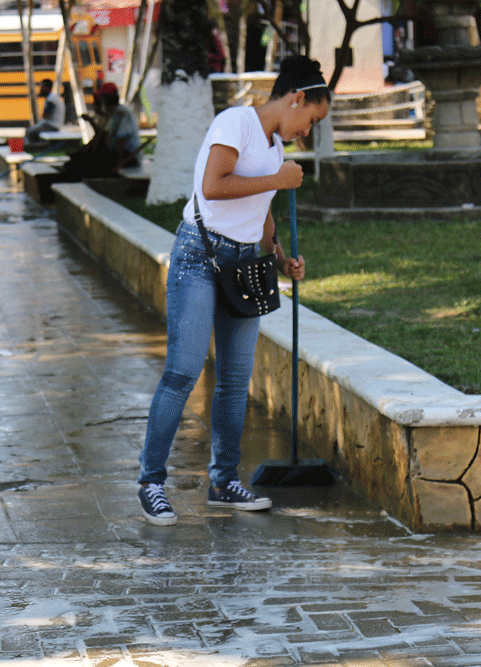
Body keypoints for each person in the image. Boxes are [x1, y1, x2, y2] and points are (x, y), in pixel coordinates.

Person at [136, 55, 331, 526]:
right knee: (183, 372)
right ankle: (151, 483)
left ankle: (223, 482)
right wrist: (278, 181)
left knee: (234, 381)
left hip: (244, 264)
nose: (307, 131)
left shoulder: (275, 148)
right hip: (198, 257)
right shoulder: (236, 122)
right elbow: (213, 186)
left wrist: (280, 256)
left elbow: (260, 212)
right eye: (311, 119)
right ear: (296, 98)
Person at [60, 82, 143, 179]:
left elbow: (120, 142)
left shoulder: (122, 114)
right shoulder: (114, 114)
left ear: (106, 99)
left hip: (129, 157)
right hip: (119, 154)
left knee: (91, 166)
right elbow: (103, 136)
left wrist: (117, 167)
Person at [25, 79, 66, 145]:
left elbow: (46, 115)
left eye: (42, 87)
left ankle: (32, 147)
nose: (40, 89)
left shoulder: (51, 99)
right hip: (53, 125)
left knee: (30, 132)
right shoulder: (53, 97)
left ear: (47, 88)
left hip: (52, 126)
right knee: (31, 129)